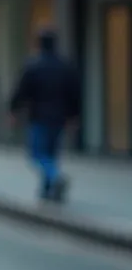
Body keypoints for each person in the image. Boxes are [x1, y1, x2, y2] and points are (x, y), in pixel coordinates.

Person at [9, 30, 81, 202]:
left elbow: (21, 91)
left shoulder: (33, 66)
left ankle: (55, 177)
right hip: (59, 117)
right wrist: (74, 116)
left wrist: (13, 110)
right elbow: (74, 93)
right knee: (51, 153)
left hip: (39, 117)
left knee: (37, 154)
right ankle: (47, 189)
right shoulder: (65, 66)